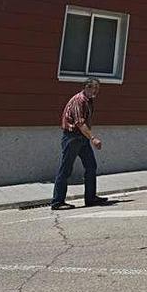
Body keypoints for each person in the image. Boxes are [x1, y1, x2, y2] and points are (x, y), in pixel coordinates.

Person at [51, 78, 112, 210]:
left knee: (91, 166)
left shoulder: (88, 100)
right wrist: (93, 138)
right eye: (92, 87)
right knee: (66, 169)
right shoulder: (79, 100)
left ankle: (91, 198)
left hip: (82, 138)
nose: (95, 90)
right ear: (85, 87)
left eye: (97, 88)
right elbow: (79, 122)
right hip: (72, 138)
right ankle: (57, 202)